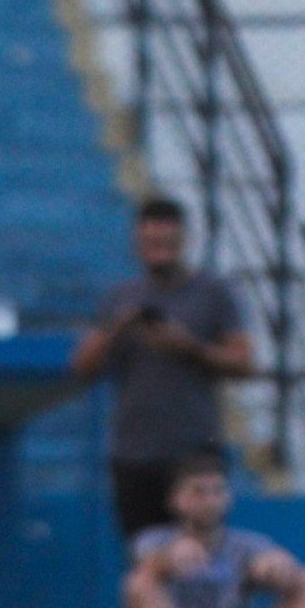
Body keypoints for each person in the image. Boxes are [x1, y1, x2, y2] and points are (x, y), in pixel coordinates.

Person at [72, 196, 255, 542]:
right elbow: (82, 367)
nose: (160, 251)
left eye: (168, 242)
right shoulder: (120, 297)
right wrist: (117, 328)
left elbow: (244, 363)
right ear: (137, 243)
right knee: (145, 560)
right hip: (134, 454)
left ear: (185, 240)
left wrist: (189, 347)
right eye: (151, 243)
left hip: (195, 450)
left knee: (199, 556)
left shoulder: (214, 292)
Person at [123, 453, 305, 608]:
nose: (210, 501)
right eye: (199, 492)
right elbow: (145, 568)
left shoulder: (247, 543)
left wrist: (275, 568)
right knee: (139, 582)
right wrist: (168, 559)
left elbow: (277, 565)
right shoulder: (155, 539)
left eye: (218, 491)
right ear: (176, 499)